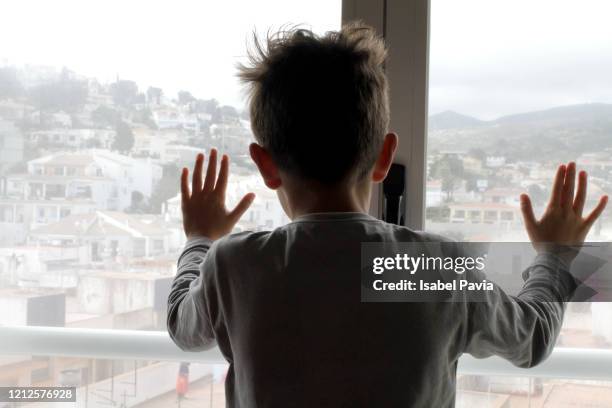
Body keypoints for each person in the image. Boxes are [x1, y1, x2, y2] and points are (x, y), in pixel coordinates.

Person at [167, 23, 608, 407]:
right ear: (385, 157)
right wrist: (555, 255)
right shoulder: (427, 268)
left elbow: (183, 328)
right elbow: (530, 339)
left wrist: (199, 238)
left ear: (265, 166)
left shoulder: (236, 266)